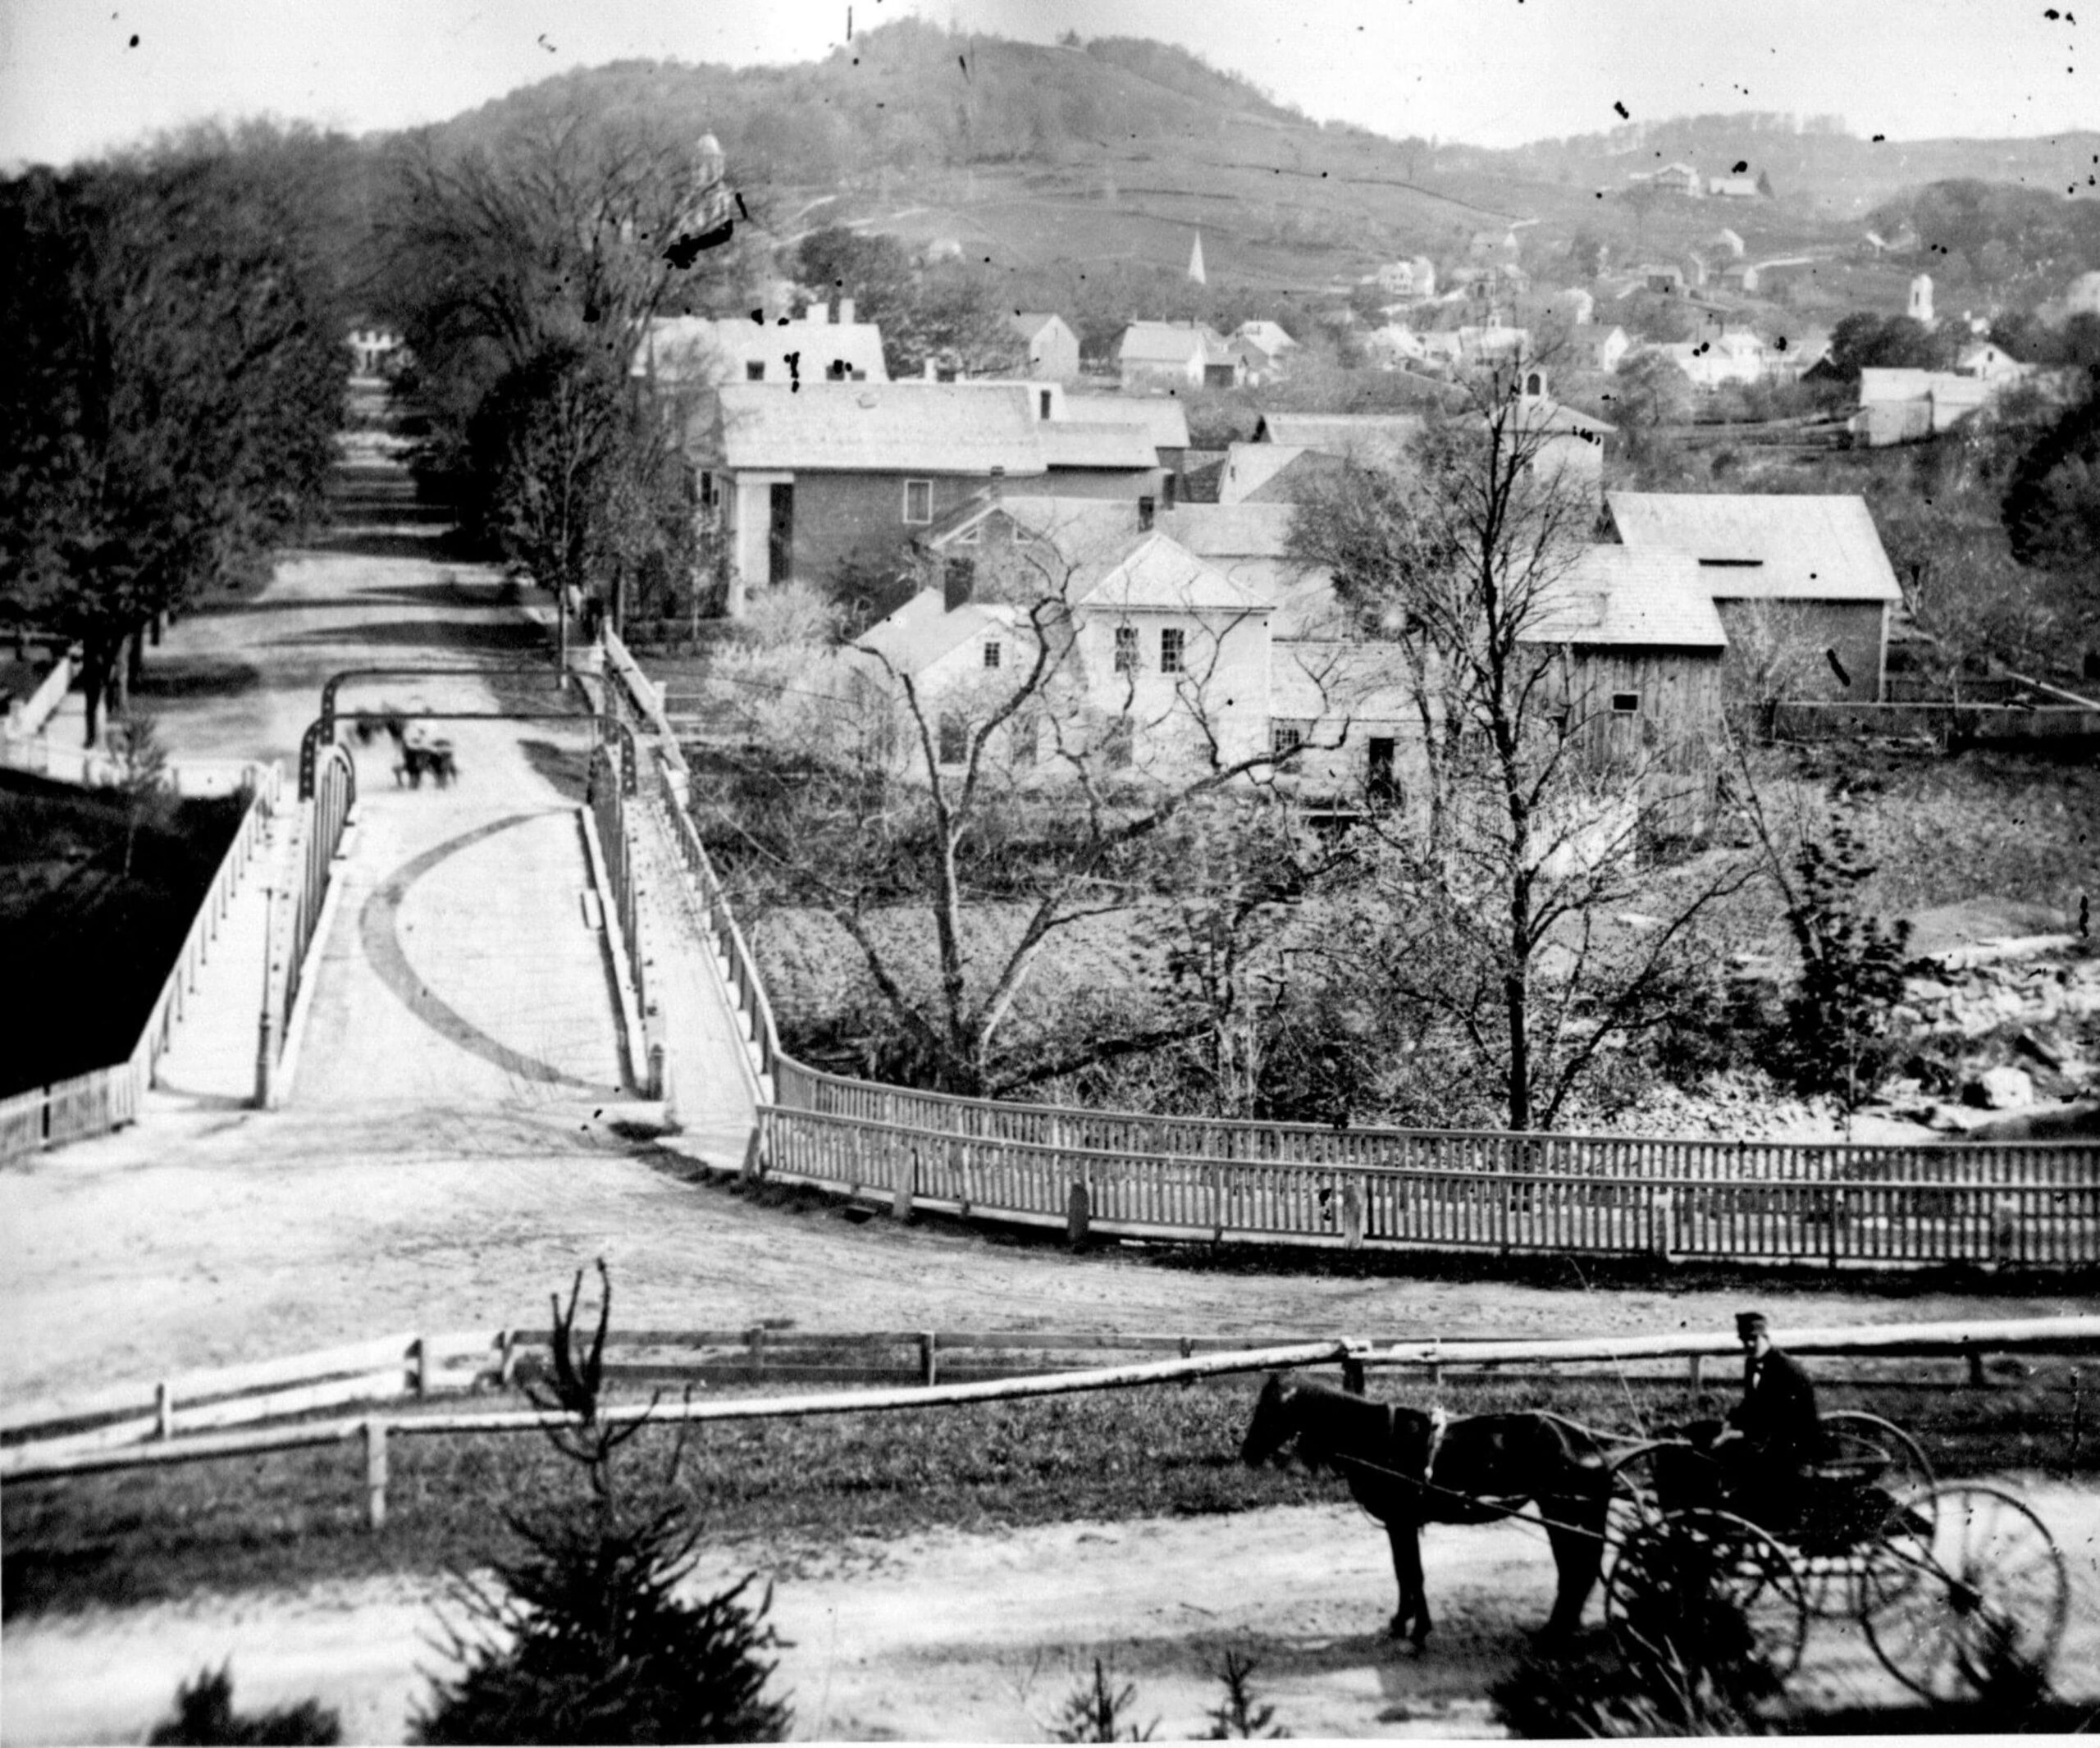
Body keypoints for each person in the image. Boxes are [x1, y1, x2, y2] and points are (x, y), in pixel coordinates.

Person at [1719, 1309, 1822, 1531]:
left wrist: (1743, 1434)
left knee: (1744, 1457)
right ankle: (1729, 1504)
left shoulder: (1788, 1371)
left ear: (1765, 1337)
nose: (1747, 1345)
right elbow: (1752, 1404)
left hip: (1795, 1443)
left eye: (1752, 1339)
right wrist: (1730, 1422)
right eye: (1743, 1340)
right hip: (1771, 1435)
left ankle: (1751, 1516)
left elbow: (1782, 1420)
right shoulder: (1752, 1363)